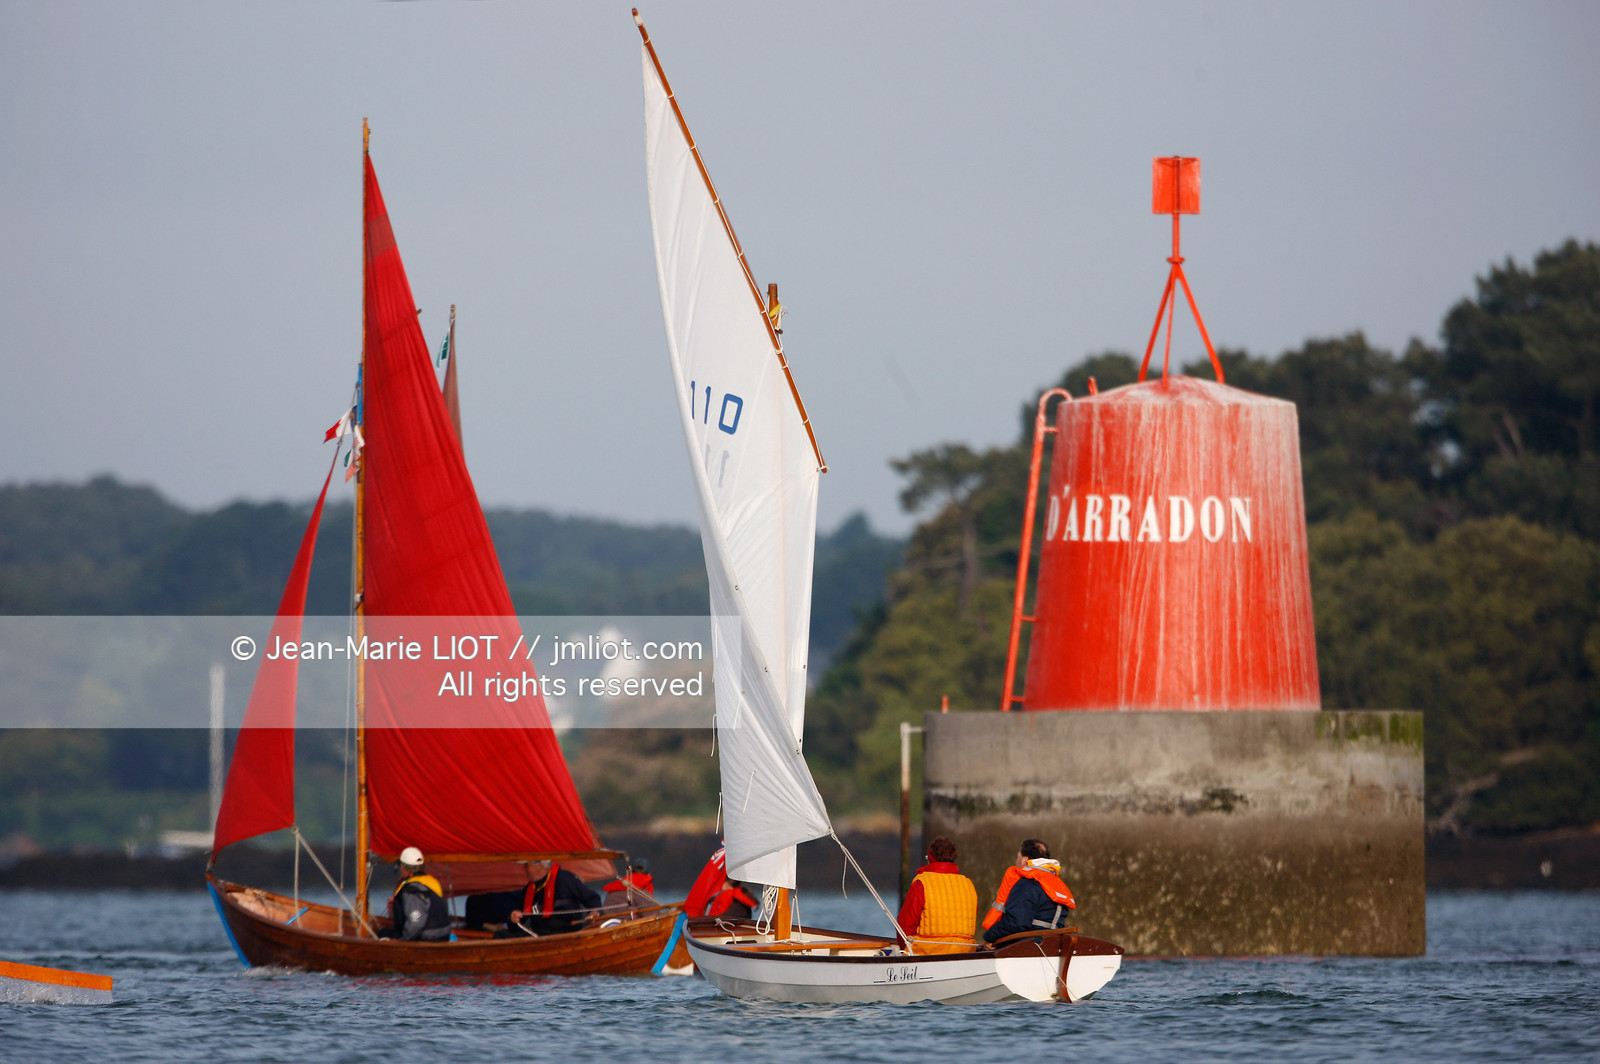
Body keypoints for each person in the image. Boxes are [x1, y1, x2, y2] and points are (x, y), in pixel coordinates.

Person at [980, 838, 1076, 947]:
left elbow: (1016, 922)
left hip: (1029, 947)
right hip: (1053, 946)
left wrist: (988, 937)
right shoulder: (1056, 885)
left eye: (1018, 857)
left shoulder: (1028, 884)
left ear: (1024, 860)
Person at [896, 835, 978, 954]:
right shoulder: (968, 884)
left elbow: (905, 925)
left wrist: (903, 949)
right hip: (965, 950)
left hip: (928, 951)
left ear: (930, 858)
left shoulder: (922, 883)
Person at [497, 859, 602, 938]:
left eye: (526, 865)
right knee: (501, 935)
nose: (524, 869)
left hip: (567, 935)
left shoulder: (565, 879)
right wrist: (512, 918)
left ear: (540, 865)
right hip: (539, 937)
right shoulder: (528, 890)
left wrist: (594, 912)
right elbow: (516, 926)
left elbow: (592, 899)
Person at [378, 846, 451, 942]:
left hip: (427, 938)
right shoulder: (433, 882)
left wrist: (401, 941)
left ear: (404, 868)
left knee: (382, 934)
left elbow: (416, 922)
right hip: (444, 935)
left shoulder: (411, 891)